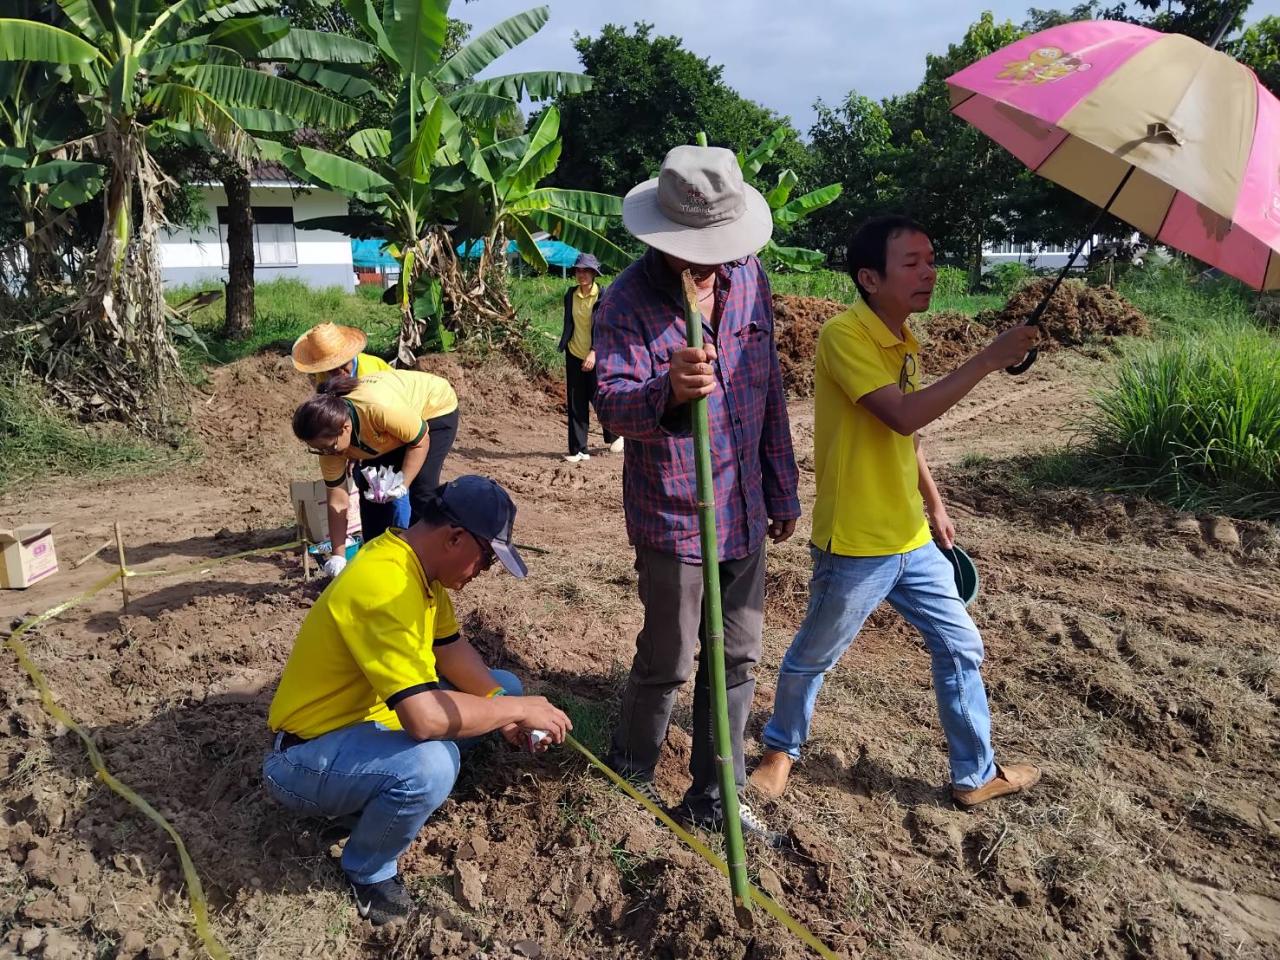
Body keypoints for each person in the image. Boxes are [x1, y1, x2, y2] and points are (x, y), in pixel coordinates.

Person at [748, 215, 1042, 808]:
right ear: (869, 277)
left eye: (930, 260)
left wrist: (933, 504)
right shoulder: (844, 335)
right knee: (814, 654)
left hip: (910, 535)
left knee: (960, 645)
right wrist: (988, 359)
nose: (929, 272)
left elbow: (907, 441)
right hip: (856, 538)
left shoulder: (907, 341)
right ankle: (780, 749)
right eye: (911, 263)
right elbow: (902, 414)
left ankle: (974, 773)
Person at [594, 145, 800, 840]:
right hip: (673, 515)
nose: (708, 264)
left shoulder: (749, 280)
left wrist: (782, 486)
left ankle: (717, 792)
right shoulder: (626, 301)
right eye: (694, 250)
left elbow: (767, 388)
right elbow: (613, 409)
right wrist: (667, 391)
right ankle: (632, 770)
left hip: (742, 506)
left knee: (738, 654)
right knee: (671, 656)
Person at [264, 476, 572, 926]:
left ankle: (376, 802)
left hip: (363, 729)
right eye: (485, 560)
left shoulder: (417, 569)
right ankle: (368, 870)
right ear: (454, 538)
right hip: (302, 758)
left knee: (501, 683)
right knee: (432, 763)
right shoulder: (385, 584)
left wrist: (501, 705)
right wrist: (516, 711)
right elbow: (424, 721)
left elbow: (450, 649)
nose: (482, 573)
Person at [292, 369, 459, 576]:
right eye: (318, 449)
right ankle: (374, 561)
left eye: (330, 447)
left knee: (422, 489)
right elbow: (338, 500)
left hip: (432, 409)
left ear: (344, 428)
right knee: (373, 488)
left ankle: (421, 563)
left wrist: (402, 484)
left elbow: (419, 441)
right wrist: (338, 555)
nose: (327, 453)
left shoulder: (377, 410)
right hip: (390, 428)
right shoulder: (328, 444)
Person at [558, 253, 622, 462]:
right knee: (576, 402)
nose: (581, 274)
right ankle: (579, 450)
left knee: (600, 398)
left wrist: (595, 351)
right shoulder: (570, 295)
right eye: (578, 270)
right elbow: (571, 323)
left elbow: (606, 327)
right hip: (574, 352)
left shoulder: (604, 296)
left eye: (586, 270)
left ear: (594, 273)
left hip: (598, 356)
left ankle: (616, 434)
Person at [292, 322, 392, 386]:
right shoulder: (322, 375)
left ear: (350, 356)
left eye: (342, 365)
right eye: (330, 369)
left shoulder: (374, 369)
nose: (338, 372)